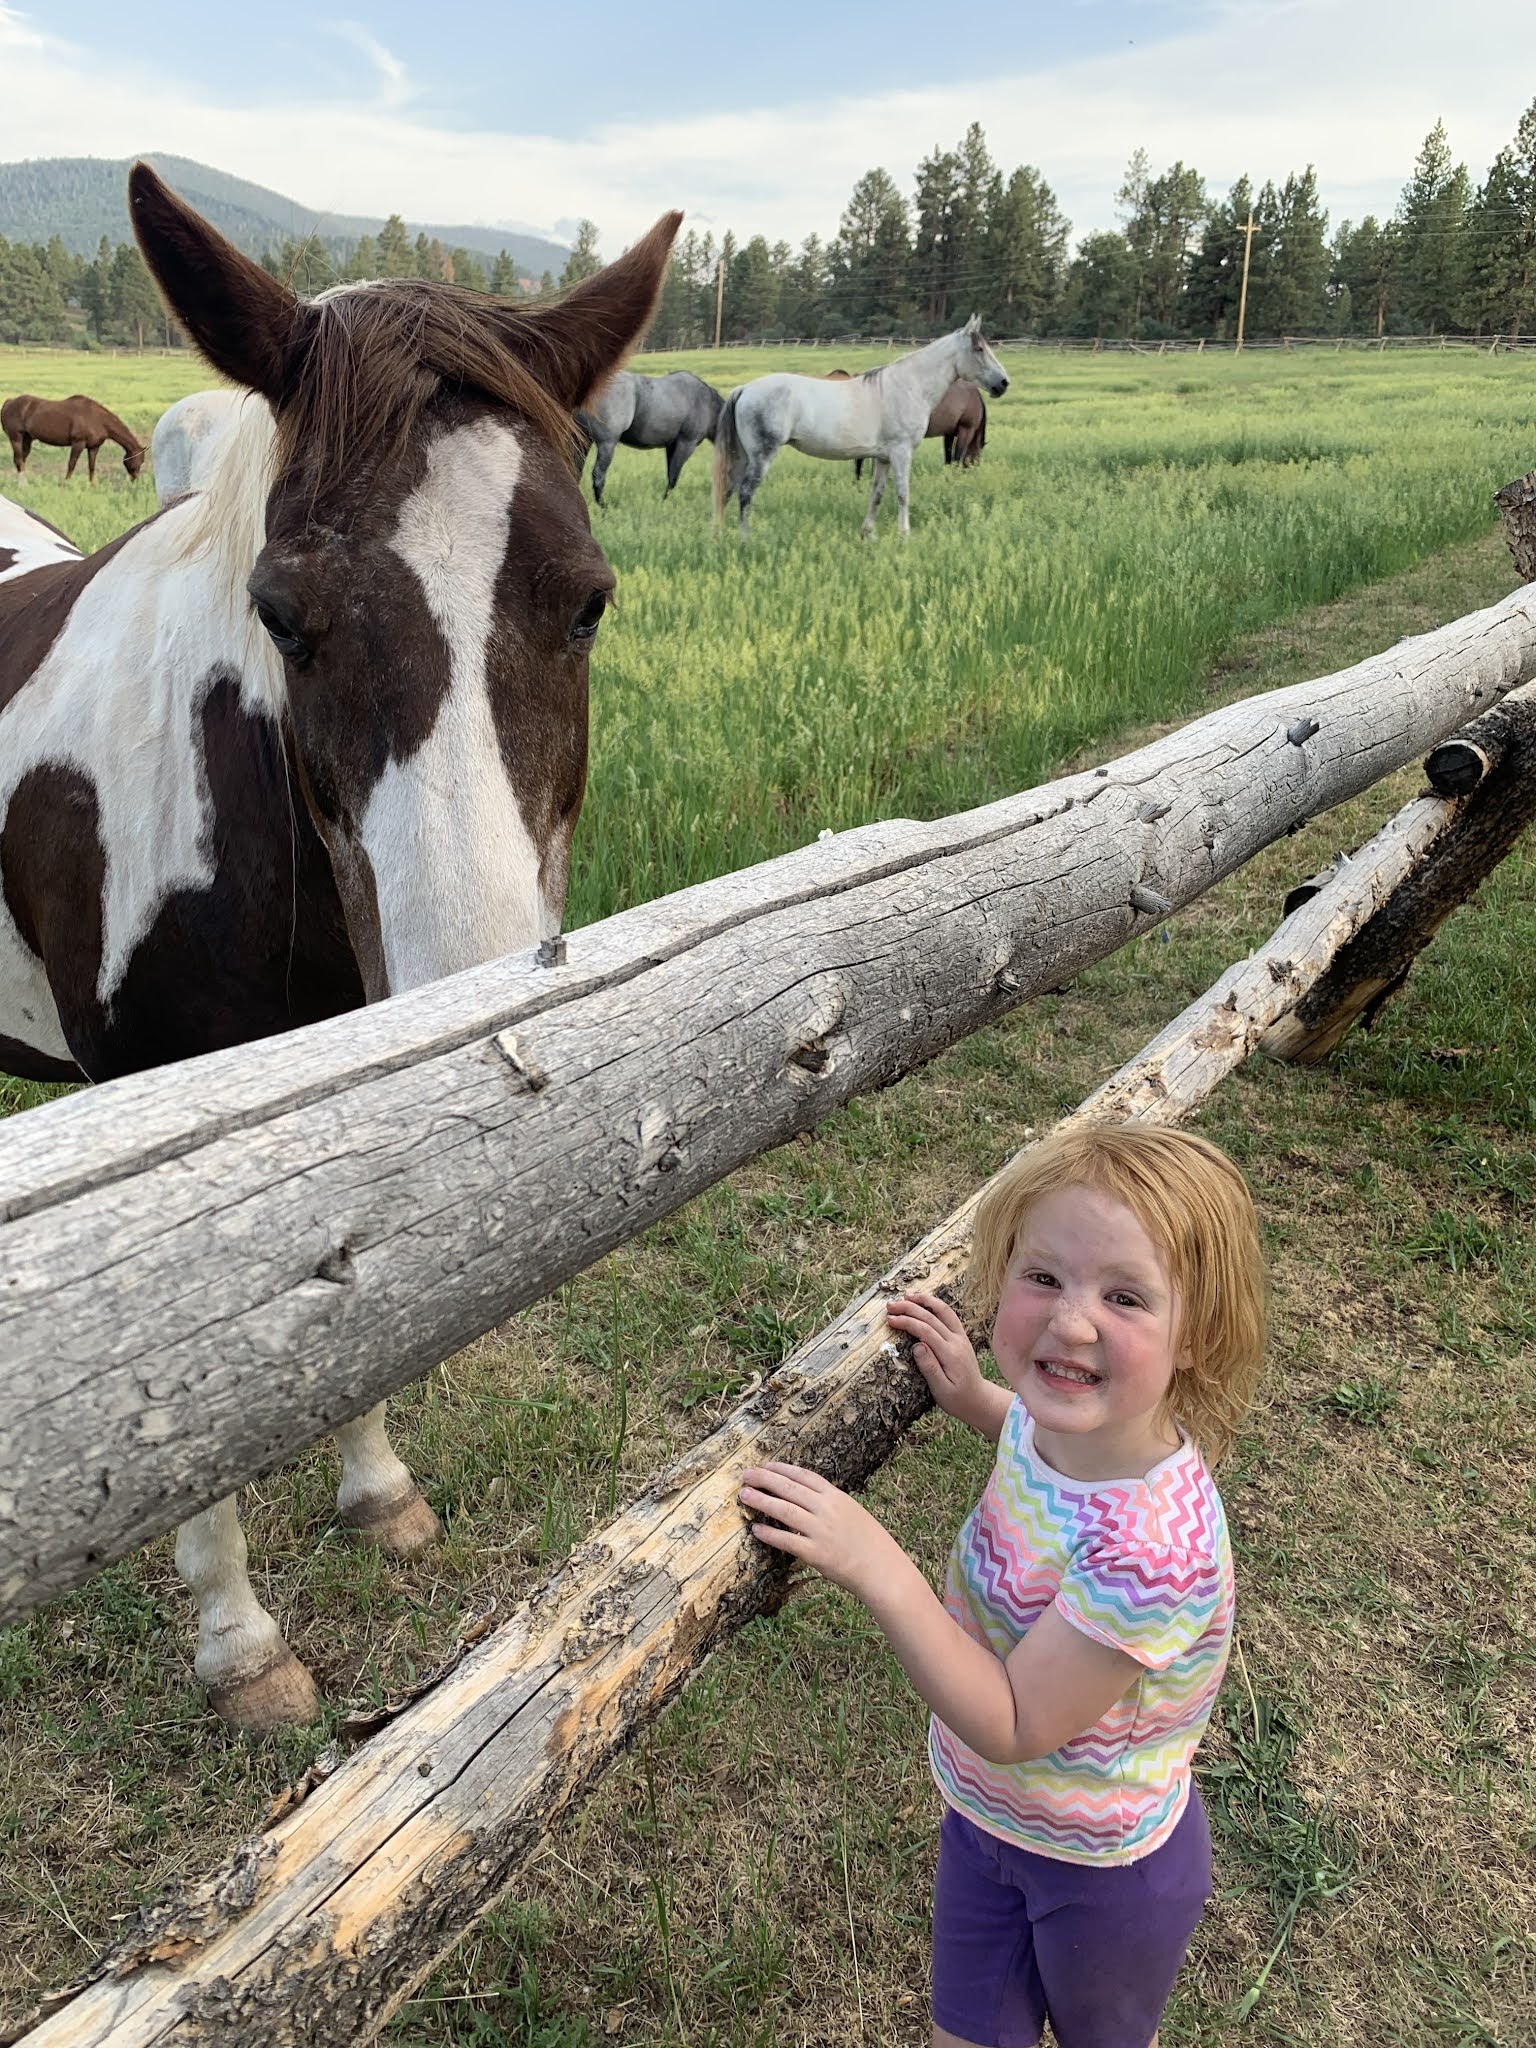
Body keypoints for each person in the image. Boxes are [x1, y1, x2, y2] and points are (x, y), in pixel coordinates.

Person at [739, 1121, 1267, 2048]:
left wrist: (876, 1564)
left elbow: (1015, 1722)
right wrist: (973, 1395)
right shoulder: (1065, 1419)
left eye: (1125, 1297)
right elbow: (1026, 1431)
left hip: (1106, 1872)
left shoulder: (1154, 1550)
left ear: (1198, 1335)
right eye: (1043, 1277)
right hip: (985, 1821)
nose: (1071, 1322)